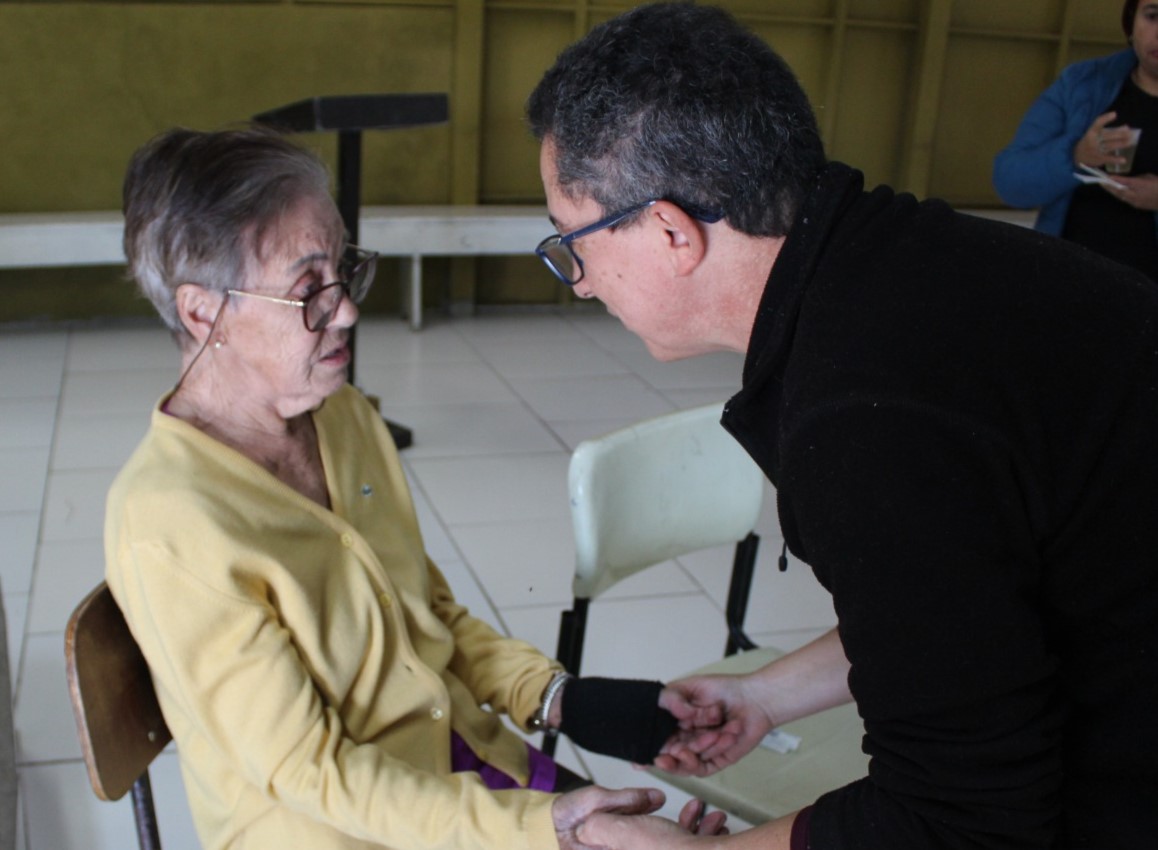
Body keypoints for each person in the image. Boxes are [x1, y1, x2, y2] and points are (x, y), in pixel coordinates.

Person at [526, 3, 1158, 848]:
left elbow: (963, 817)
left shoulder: (863, 414)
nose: (580, 282)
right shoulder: (908, 261)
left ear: (672, 232)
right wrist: (765, 694)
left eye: (573, 243)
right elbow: (973, 607)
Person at [106, 126, 727, 850]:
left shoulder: (342, 416)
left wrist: (564, 700)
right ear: (201, 312)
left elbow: (425, 618)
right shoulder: (171, 525)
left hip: (452, 769)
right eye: (308, 289)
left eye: (344, 269)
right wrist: (549, 828)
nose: (346, 310)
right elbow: (313, 773)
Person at [993, 0, 1158, 280]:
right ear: (1131, 23)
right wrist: (1074, 155)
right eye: (1153, 16)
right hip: (1065, 282)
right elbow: (1010, 183)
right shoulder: (1081, 83)